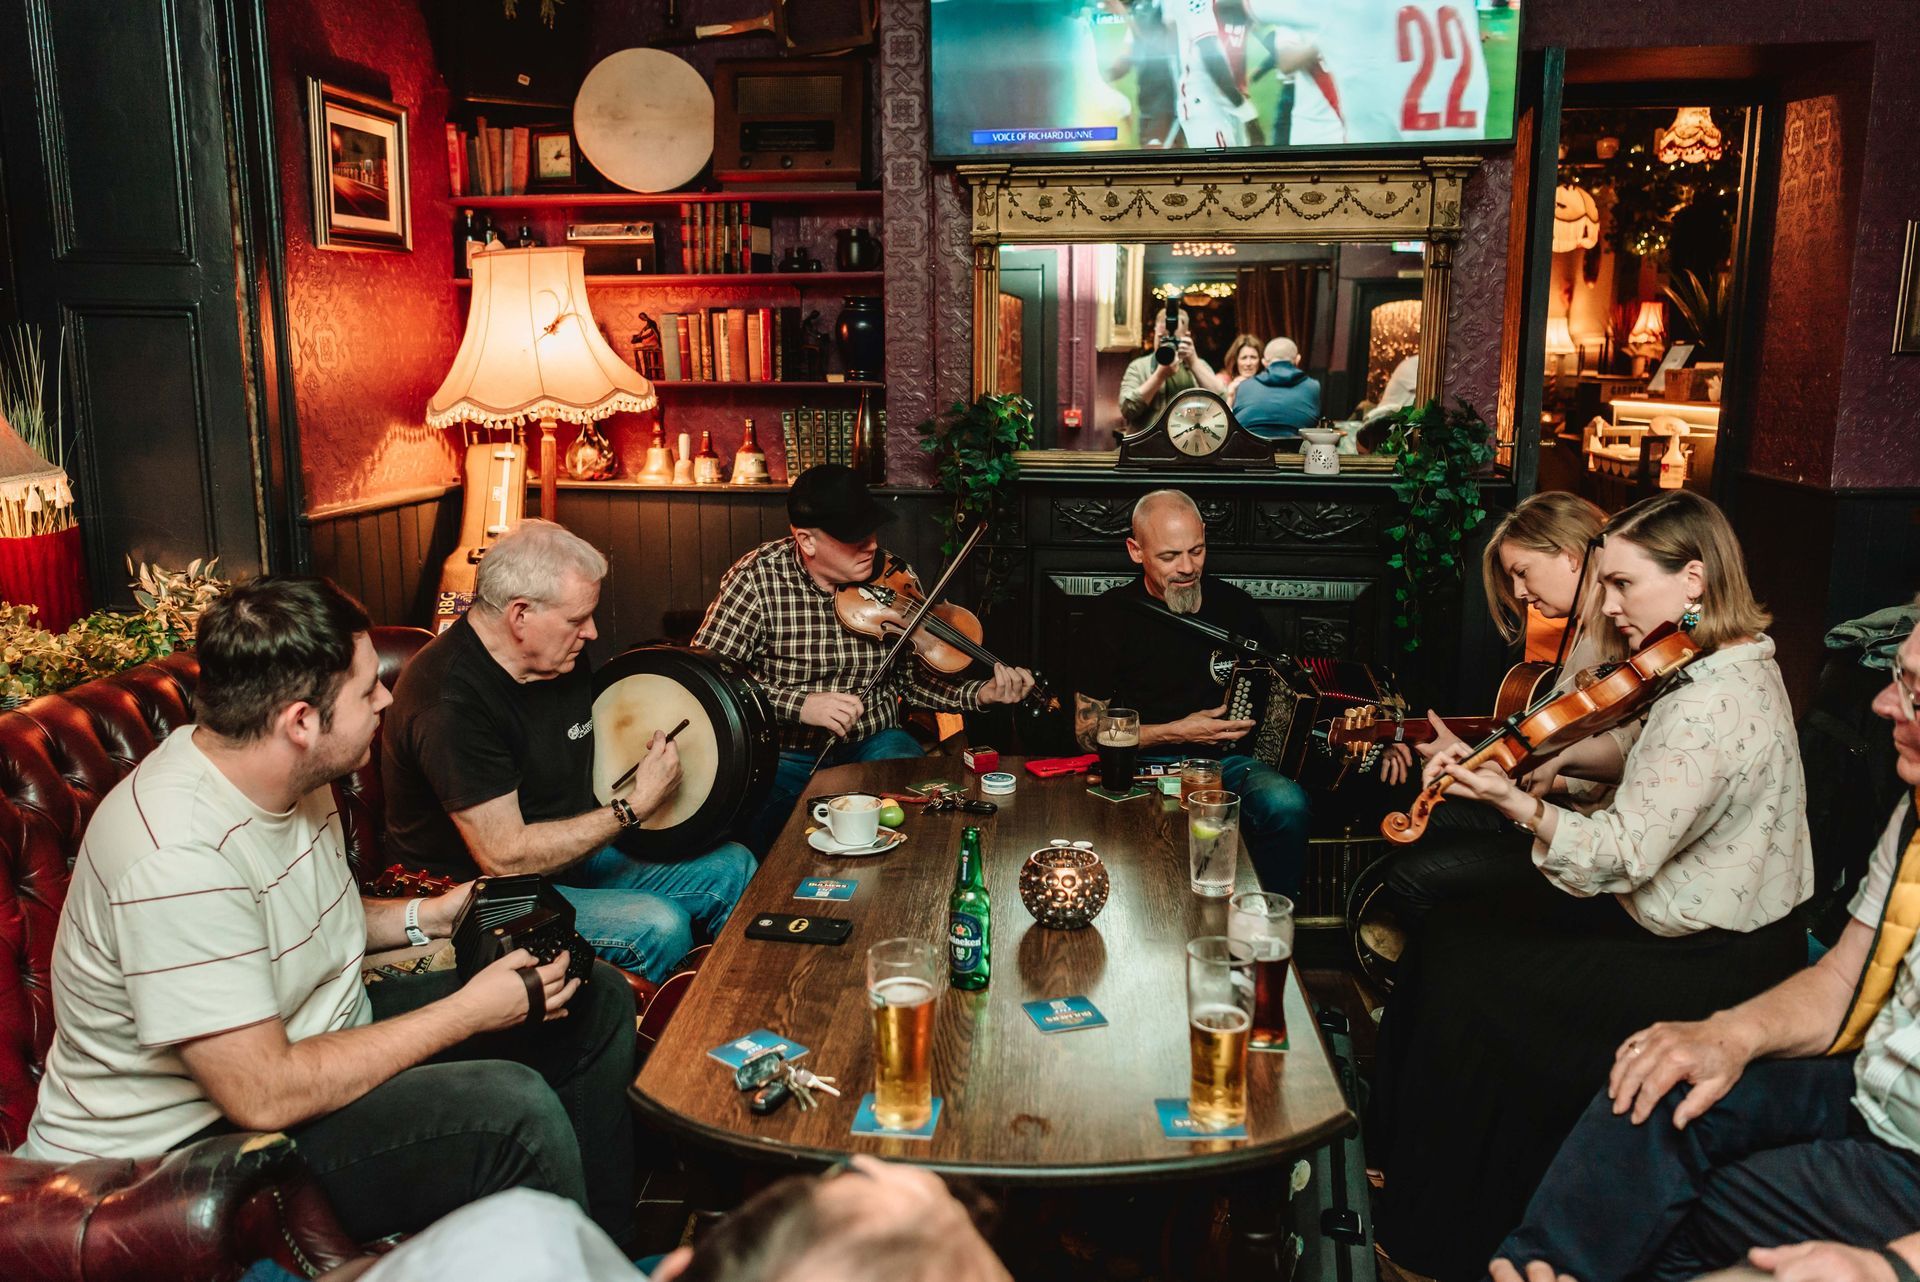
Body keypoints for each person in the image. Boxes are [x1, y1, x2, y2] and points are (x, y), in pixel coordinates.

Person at [14, 576, 638, 1247]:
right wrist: (469, 1011)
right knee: (513, 1112)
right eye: (367, 691)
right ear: (301, 723)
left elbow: (306, 918)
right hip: (180, 1163)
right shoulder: (176, 856)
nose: (387, 698)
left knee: (590, 996)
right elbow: (263, 1093)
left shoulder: (288, 773)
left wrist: (432, 916)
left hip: (309, 1047)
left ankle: (611, 1251)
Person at [1368, 489, 1816, 1281]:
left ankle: (1444, 1235)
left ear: (1694, 579)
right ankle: (1402, 1167)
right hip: (1680, 920)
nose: (1606, 606)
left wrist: (1514, 801)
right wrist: (1555, 771)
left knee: (1474, 980)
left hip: (1713, 958)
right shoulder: (1716, 662)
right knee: (1453, 935)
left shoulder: (1712, 700)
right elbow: (1648, 775)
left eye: (1622, 585)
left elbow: (1623, 853)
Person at [1487, 612, 1920, 1282]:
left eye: (1915, 693)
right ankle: (1531, 1268)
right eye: (1898, 676)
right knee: (1655, 1077)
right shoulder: (1913, 814)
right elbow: (1844, 977)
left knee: (1696, 1212)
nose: (1884, 703)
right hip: (1871, 1091)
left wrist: (1893, 1265)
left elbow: (1628, 850)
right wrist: (1724, 1036)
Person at [381, 519, 753, 983]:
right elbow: (506, 858)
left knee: (733, 867)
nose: (592, 632)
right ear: (520, 616)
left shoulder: (558, 655)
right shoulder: (449, 700)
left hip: (569, 856)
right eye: (578, 620)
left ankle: (738, 1001)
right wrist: (634, 806)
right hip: (488, 895)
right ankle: (656, 1027)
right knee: (658, 926)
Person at [694, 465, 1036, 855]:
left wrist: (981, 694)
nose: (871, 545)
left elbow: (911, 683)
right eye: (853, 536)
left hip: (875, 742)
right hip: (785, 755)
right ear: (806, 540)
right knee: (763, 831)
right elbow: (710, 682)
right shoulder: (757, 578)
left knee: (918, 804)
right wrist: (799, 705)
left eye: (871, 531)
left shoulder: (894, 576)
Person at [1374, 491, 1632, 923]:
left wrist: (1492, 767)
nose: (1519, 591)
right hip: (1556, 811)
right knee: (1411, 804)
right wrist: (1474, 758)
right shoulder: (1589, 636)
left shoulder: (1621, 636)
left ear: (1571, 556)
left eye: (1522, 572)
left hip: (1584, 830)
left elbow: (1613, 762)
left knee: (1411, 876)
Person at [1073, 489, 1312, 895]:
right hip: (1144, 765)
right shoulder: (1110, 616)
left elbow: (1287, 687)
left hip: (1228, 763)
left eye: (1196, 551)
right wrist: (1178, 732)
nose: (1187, 567)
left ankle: (1264, 921)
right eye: (1169, 556)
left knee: (1287, 804)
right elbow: (1085, 734)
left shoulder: (1236, 607)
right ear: (1135, 551)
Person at [1118, 304, 1228, 430]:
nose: (1167, 343)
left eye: (1173, 339)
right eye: (1162, 338)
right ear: (1155, 332)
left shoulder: (1199, 365)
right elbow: (1127, 410)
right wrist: (1159, 376)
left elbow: (1222, 402)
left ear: (1186, 336)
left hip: (1191, 439)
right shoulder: (1139, 367)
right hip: (1151, 441)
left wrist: (1194, 363)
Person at [1231, 336, 1322, 440]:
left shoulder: (1244, 386)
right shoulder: (1313, 386)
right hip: (1295, 449)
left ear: (1264, 362)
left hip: (1250, 448)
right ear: (1298, 359)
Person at [1221, 332, 1266, 400]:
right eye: (1244, 358)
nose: (1248, 363)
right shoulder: (1225, 384)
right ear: (1235, 361)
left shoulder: (1266, 384)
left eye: (1253, 357)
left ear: (1261, 360)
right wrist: (1231, 396)